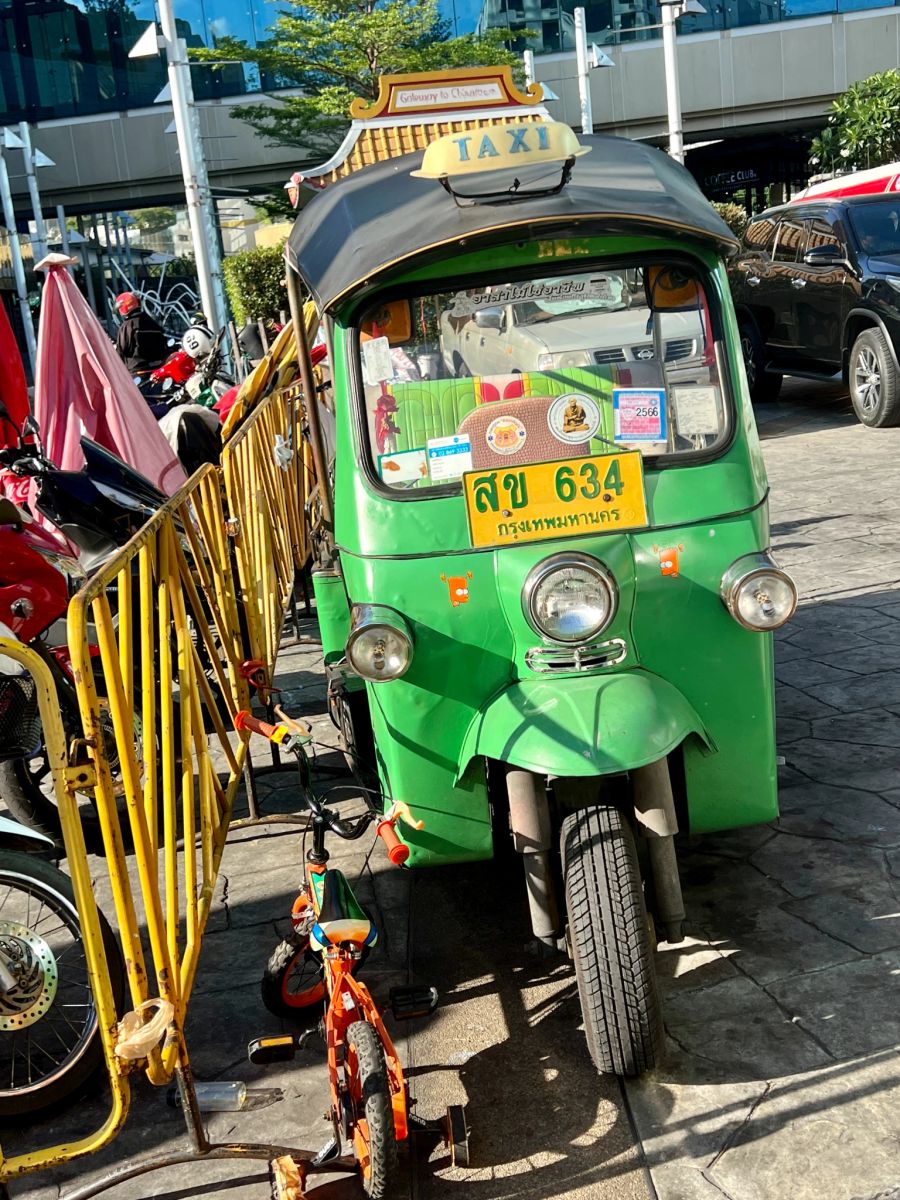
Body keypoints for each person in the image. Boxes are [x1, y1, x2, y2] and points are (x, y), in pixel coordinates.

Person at [113, 292, 170, 375]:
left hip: (138, 371)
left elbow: (122, 350)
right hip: (158, 369)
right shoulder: (151, 321)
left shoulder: (127, 325)